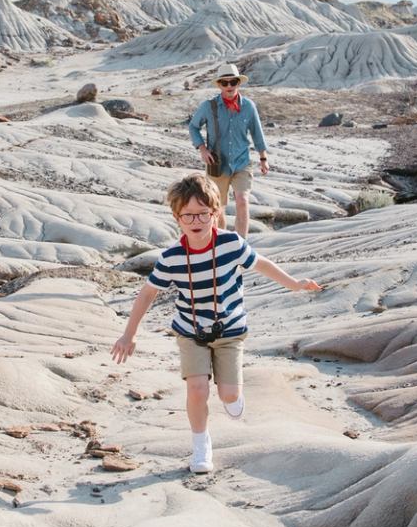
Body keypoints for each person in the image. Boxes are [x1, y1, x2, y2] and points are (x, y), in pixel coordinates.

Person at [110, 173, 321, 474]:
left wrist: (294, 283)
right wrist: (128, 335)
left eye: (202, 214)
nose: (195, 221)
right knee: (197, 389)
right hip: (190, 331)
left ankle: (232, 393)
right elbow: (147, 294)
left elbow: (261, 264)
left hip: (230, 330)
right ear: (177, 218)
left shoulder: (230, 244)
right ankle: (201, 447)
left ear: (215, 213)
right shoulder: (171, 258)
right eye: (188, 216)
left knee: (229, 396)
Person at [186, 64, 269, 237]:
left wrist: (263, 158)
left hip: (242, 162)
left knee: (242, 201)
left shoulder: (248, 106)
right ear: (219, 85)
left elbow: (257, 132)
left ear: (239, 83)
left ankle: (241, 246)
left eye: (233, 82)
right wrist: (202, 149)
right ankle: (221, 244)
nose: (229, 86)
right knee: (218, 208)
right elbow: (193, 127)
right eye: (225, 83)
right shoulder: (209, 106)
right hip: (217, 164)